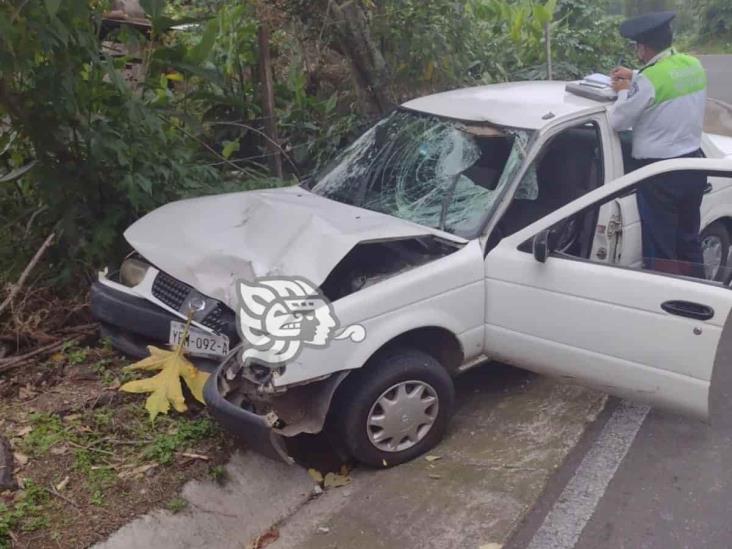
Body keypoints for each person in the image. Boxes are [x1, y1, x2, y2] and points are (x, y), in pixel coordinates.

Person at [609, 11, 708, 277]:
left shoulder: (649, 79)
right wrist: (635, 75)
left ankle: (666, 304)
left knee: (661, 249)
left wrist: (622, 91)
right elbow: (666, 76)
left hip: (661, 177)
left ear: (643, 47)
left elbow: (618, 121)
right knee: (688, 240)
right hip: (694, 165)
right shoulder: (692, 64)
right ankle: (698, 294)